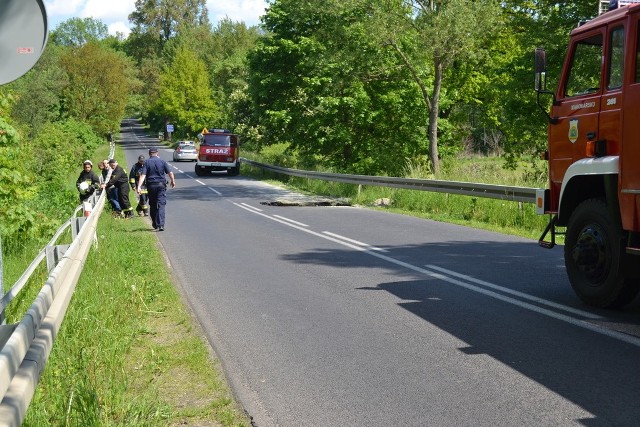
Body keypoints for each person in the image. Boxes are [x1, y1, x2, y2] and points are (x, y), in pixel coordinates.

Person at [137, 147, 175, 231]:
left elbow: (143, 175)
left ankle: (155, 222)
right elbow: (170, 173)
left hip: (151, 186)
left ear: (149, 154)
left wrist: (139, 186)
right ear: (157, 153)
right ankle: (161, 225)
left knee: (153, 204)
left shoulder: (146, 162)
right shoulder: (162, 161)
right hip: (161, 186)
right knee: (161, 204)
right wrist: (172, 181)